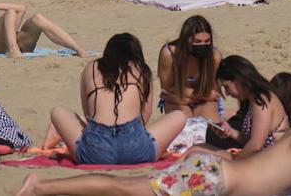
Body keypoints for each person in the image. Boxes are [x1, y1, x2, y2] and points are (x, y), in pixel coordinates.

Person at [14, 99, 291, 196]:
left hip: (213, 175)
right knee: (125, 190)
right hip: (212, 183)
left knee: (125, 188)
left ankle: (42, 188)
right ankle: (41, 187)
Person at [42, 33, 186, 166]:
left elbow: (89, 115)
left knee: (57, 111)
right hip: (135, 148)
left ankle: (58, 134)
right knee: (179, 116)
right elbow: (143, 120)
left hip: (95, 152)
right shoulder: (141, 69)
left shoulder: (91, 68)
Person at [203, 56, 290, 156]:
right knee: (200, 149)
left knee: (200, 151)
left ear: (238, 79)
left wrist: (234, 165)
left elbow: (255, 146)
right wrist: (230, 132)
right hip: (265, 159)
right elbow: (252, 142)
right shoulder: (255, 99)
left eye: (226, 87)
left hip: (272, 162)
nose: (226, 93)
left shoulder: (262, 101)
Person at [0, 0, 87, 57]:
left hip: (16, 42)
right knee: (10, 12)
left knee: (38, 18)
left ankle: (78, 49)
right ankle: (13, 50)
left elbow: (22, 8)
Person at [158, 16, 223, 121]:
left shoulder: (214, 56)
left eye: (207, 41)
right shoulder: (170, 54)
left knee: (208, 126)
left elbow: (214, 93)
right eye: (197, 41)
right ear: (186, 40)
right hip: (177, 101)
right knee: (185, 126)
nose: (203, 45)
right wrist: (202, 95)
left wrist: (184, 94)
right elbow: (167, 90)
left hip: (188, 99)